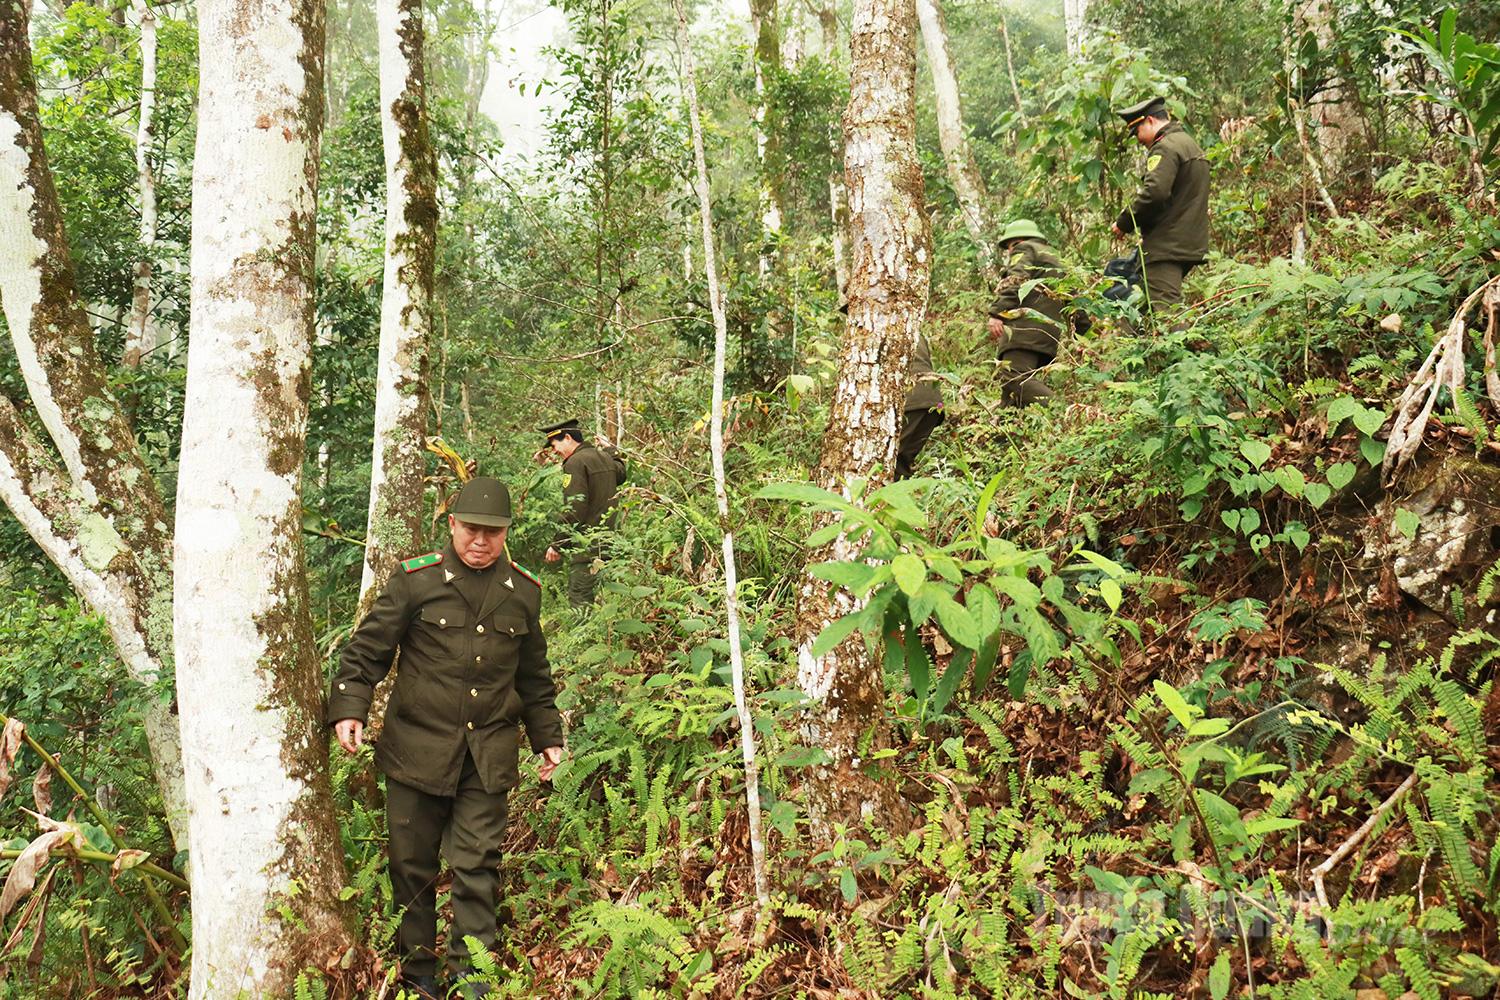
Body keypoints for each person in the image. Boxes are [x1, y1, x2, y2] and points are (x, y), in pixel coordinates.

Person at [327, 477, 565, 999]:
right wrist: (350, 708)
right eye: (472, 529)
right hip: (417, 748)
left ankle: (472, 977)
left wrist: (548, 736)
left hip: (488, 754)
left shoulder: (523, 591)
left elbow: (533, 676)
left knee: (477, 863)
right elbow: (368, 650)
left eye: (493, 533)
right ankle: (418, 976)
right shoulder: (417, 581)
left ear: (506, 534)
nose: (481, 541)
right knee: (411, 866)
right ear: (452, 524)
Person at [1110, 96, 1210, 315]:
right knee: (1145, 310)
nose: (1137, 139)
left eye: (1136, 131)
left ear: (1151, 121)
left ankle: (1196, 349)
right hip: (1188, 242)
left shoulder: (1164, 147)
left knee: (1168, 315)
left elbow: (1155, 193)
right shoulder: (1189, 144)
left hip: (1167, 246)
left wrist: (1124, 222)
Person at [987, 219, 1069, 407]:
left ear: (1017, 242)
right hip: (1049, 335)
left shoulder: (1024, 249)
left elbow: (1016, 279)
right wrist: (1085, 330)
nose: (1009, 252)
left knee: (1012, 374)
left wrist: (997, 312)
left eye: (1009, 247)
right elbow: (1072, 297)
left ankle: (1062, 411)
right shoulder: (1056, 259)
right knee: (1013, 397)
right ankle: (1004, 435)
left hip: (1025, 330)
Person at [540, 419, 621, 607]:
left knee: (580, 599)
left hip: (587, 549)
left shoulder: (575, 462)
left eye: (555, 445)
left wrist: (557, 544)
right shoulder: (604, 457)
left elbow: (575, 507)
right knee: (607, 601)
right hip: (610, 545)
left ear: (567, 438)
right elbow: (621, 473)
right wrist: (610, 450)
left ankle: (587, 636)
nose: (555, 452)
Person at [896, 333, 944, 479]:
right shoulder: (914, 327)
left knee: (886, 458)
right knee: (900, 461)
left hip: (911, 399)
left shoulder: (879, 328)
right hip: (932, 400)